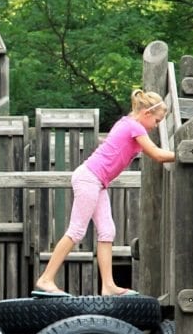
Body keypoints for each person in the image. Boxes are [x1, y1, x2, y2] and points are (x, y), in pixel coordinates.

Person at [33, 89, 175, 298]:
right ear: (146, 114)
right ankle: (46, 278)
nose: (156, 126)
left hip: (97, 182)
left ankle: (108, 285)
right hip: (89, 178)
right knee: (77, 231)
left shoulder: (127, 123)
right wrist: (183, 153)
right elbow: (157, 154)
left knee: (107, 231)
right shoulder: (134, 127)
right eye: (157, 120)